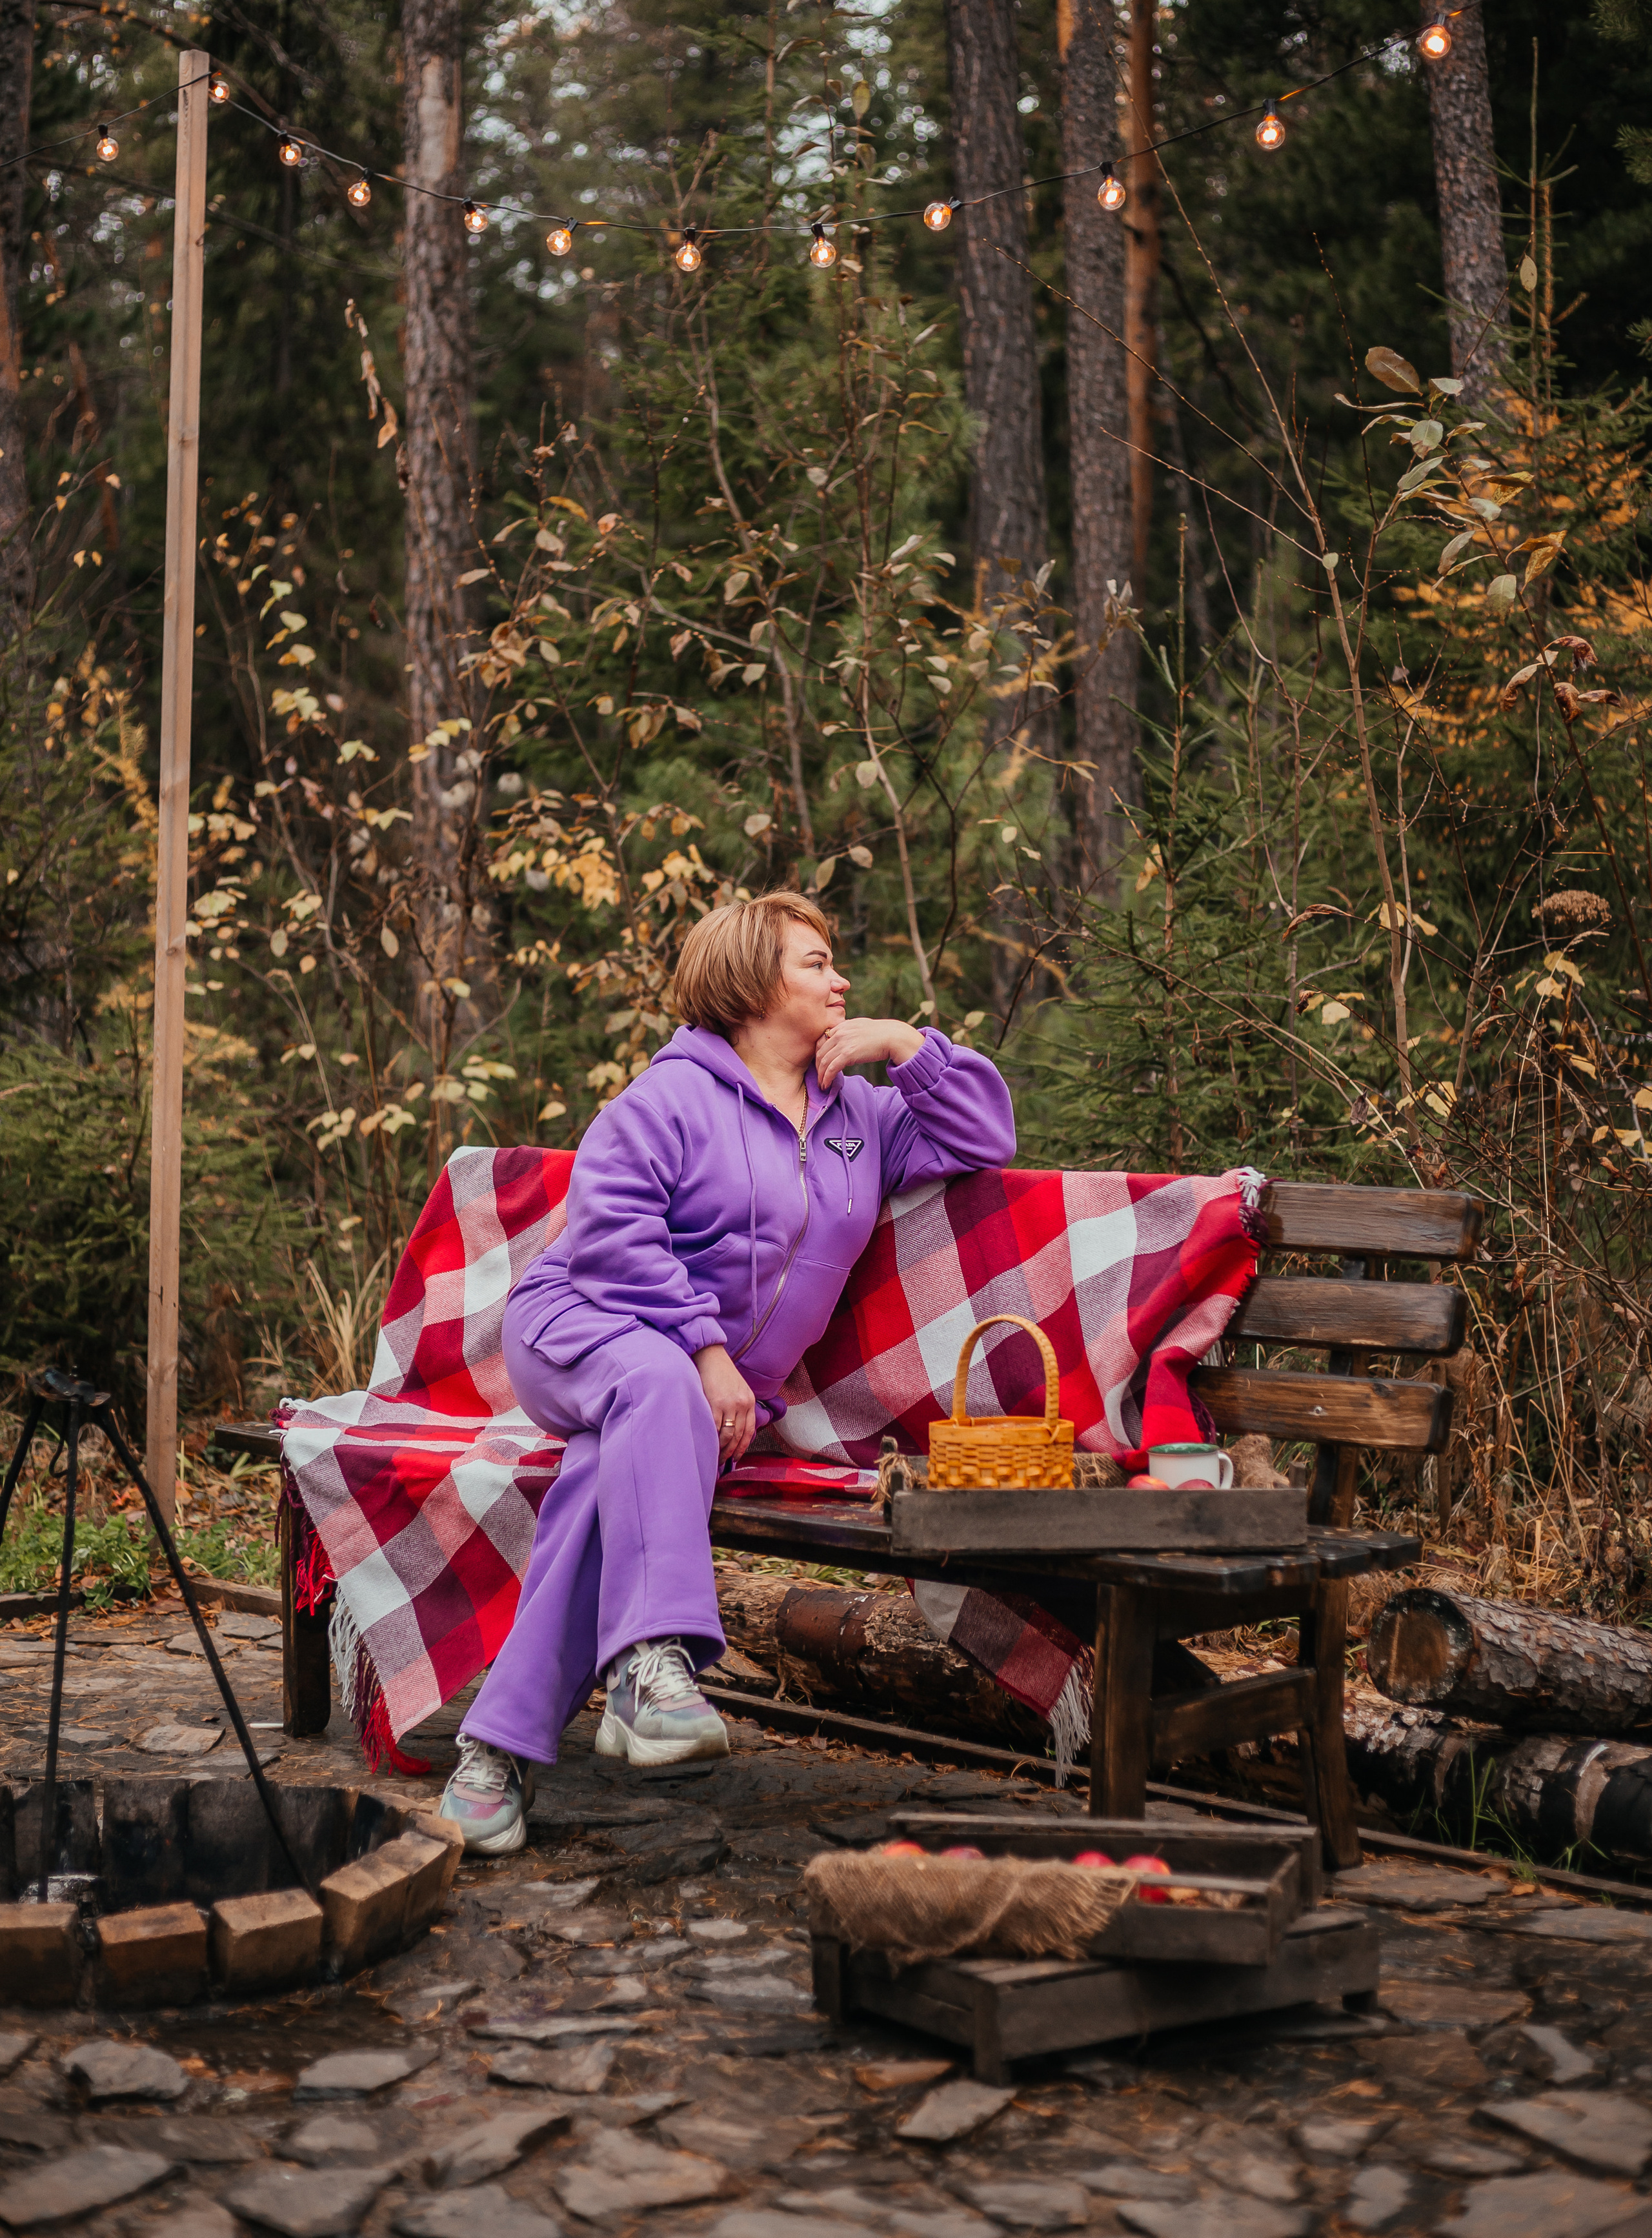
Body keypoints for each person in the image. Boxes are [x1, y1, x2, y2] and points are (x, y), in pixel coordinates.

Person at [439, 891, 1016, 1852]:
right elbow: (611, 1238)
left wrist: (901, 1044)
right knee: (658, 1387)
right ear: (751, 981)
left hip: (690, 1391)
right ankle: (651, 1664)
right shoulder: (665, 1098)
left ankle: (492, 1755)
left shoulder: (859, 1117)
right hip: (581, 1326)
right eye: (815, 963)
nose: (839, 981)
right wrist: (707, 1352)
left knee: (599, 1477)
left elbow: (983, 1137)